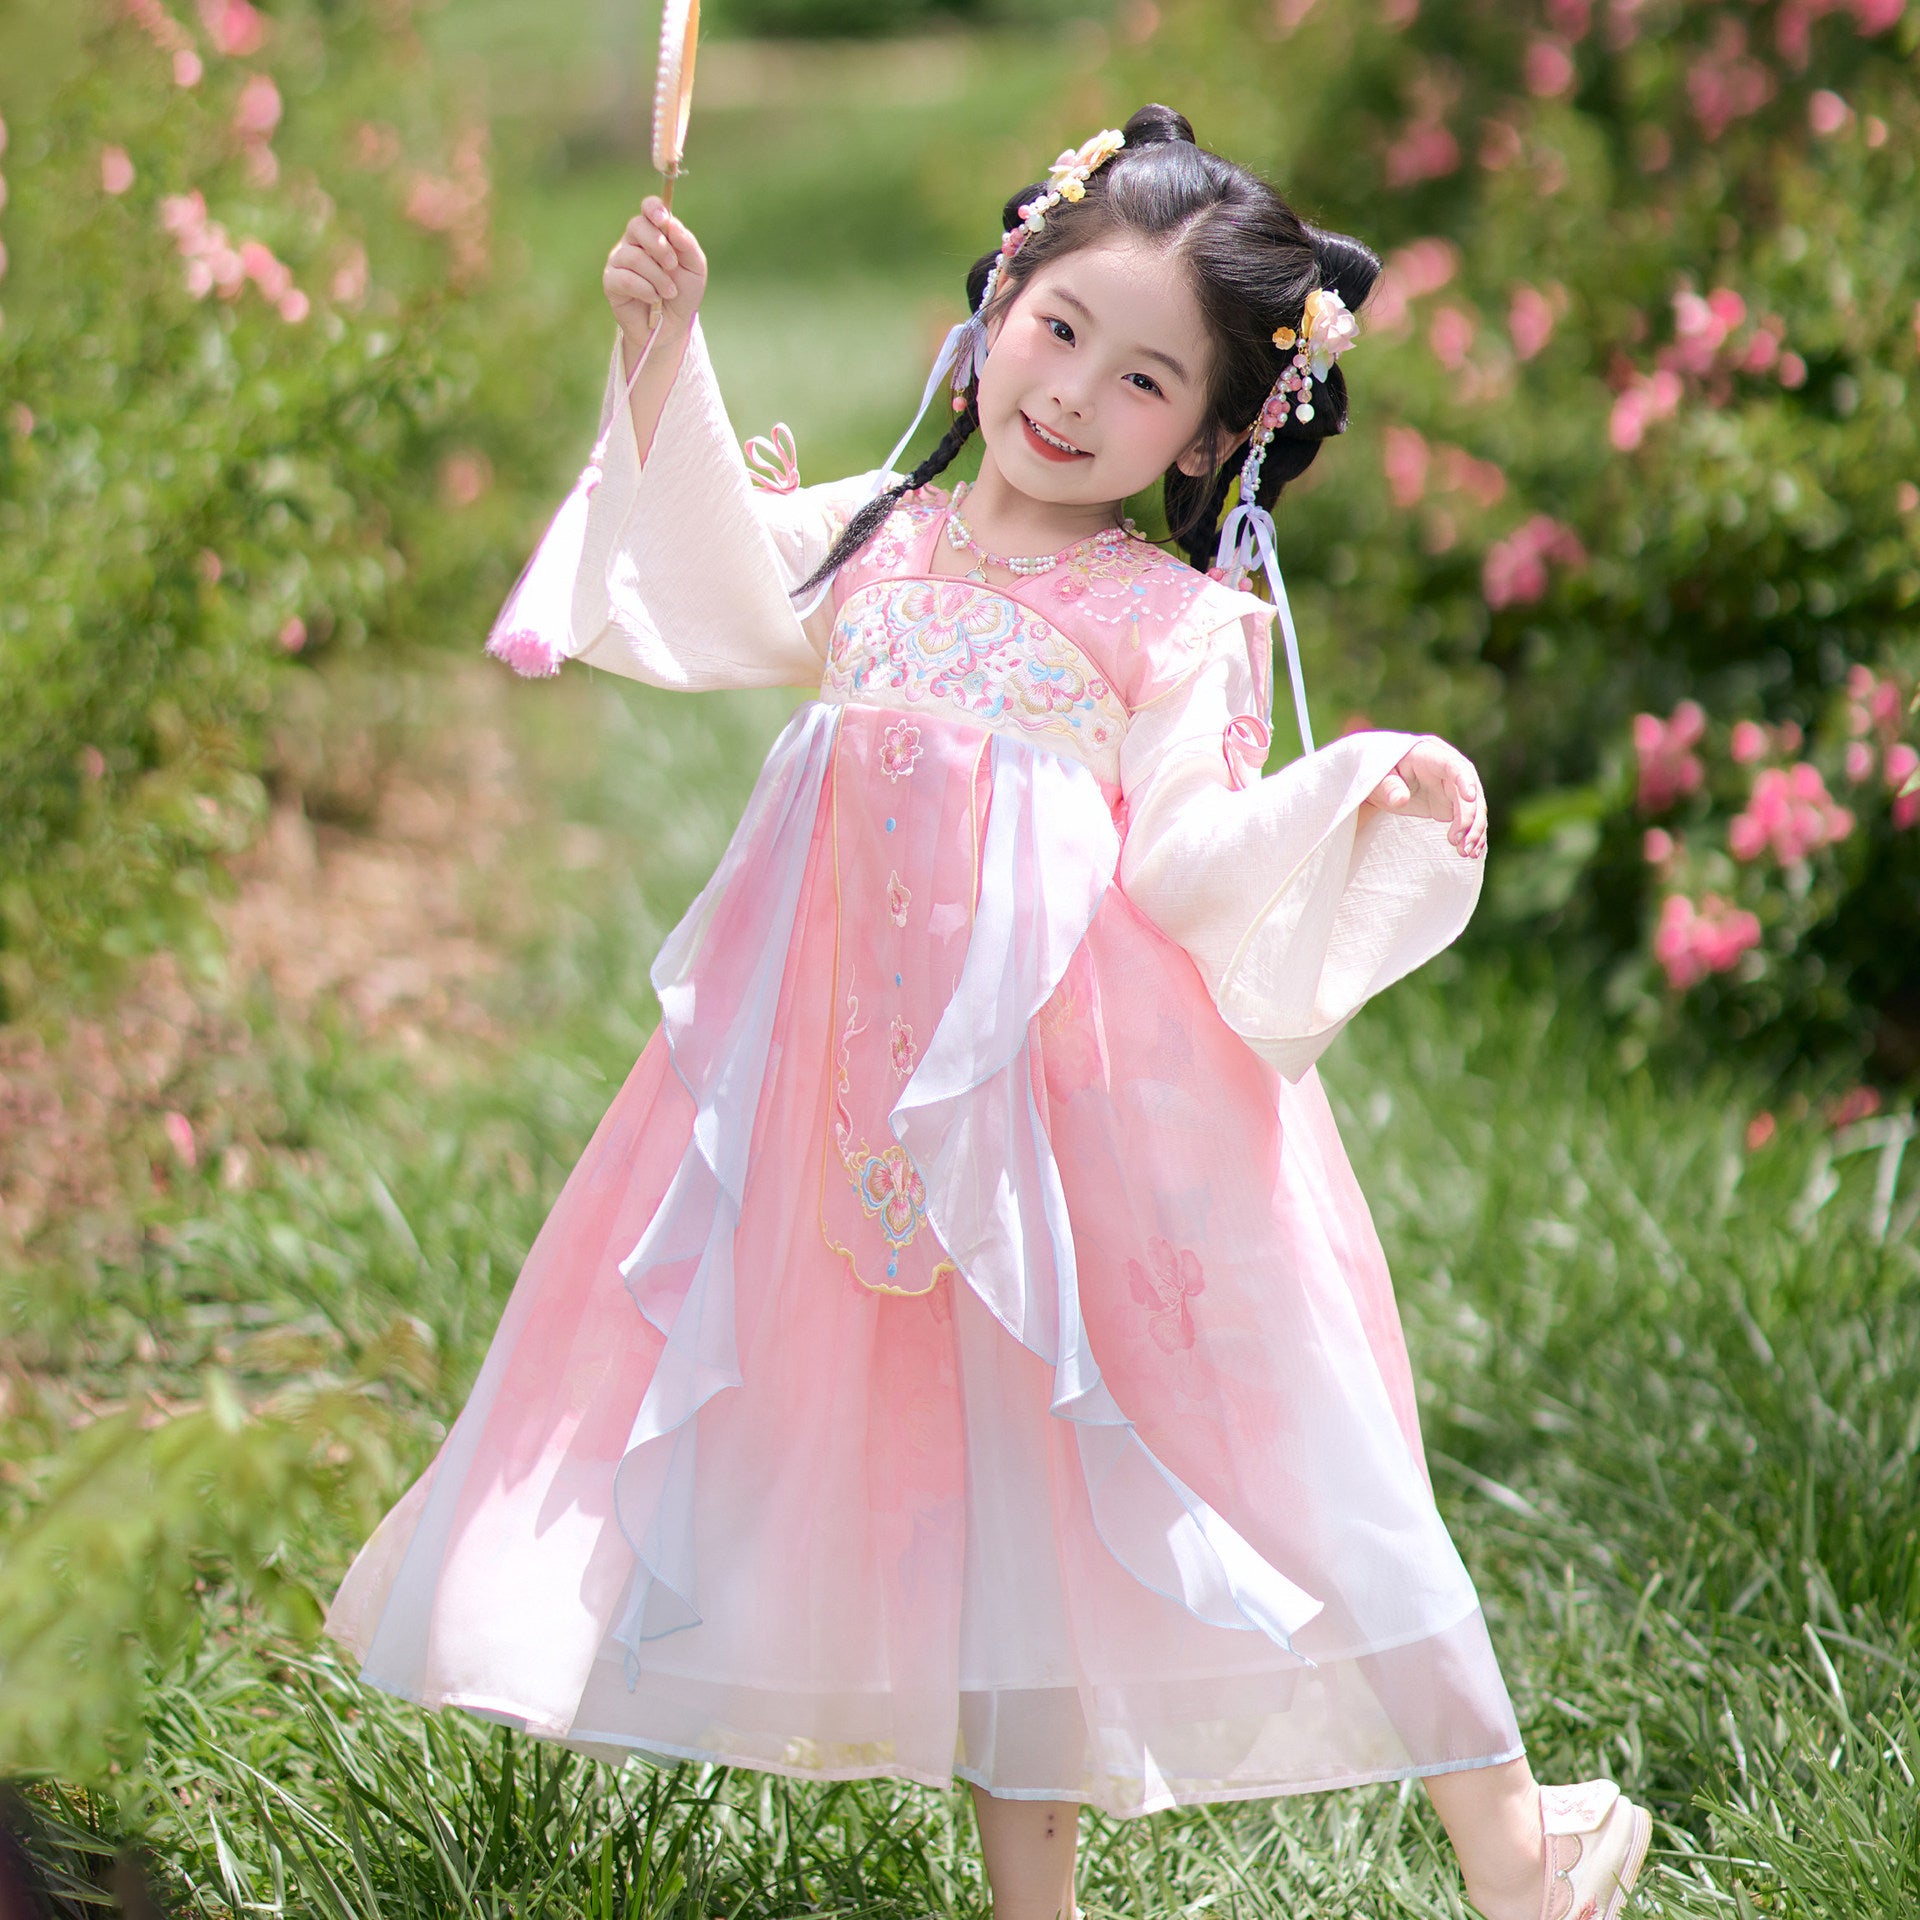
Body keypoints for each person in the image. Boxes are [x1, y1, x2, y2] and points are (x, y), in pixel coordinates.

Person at [326, 104, 1650, 1920]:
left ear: (1213, 436)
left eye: (1147, 383)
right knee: (988, 1479)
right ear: (999, 295)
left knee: (1295, 1435)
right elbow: (710, 570)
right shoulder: (882, 544)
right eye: (1061, 328)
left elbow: (1187, 862)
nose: (1078, 396)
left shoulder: (1169, 628)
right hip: (861, 1104)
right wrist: (665, 344)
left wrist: (1353, 782)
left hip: (1100, 1111)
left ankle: (1517, 1845)